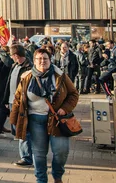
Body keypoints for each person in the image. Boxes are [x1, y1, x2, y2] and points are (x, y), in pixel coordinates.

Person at [10, 48, 79, 183]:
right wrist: (14, 120)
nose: (42, 61)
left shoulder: (60, 76)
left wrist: (65, 109)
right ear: (34, 61)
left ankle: (57, 175)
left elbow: (74, 94)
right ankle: (41, 179)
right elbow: (18, 99)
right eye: (39, 59)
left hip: (57, 120)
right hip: (35, 119)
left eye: (45, 59)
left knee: (61, 152)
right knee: (39, 154)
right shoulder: (26, 77)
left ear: (50, 60)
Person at [7, 44, 34, 167]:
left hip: (22, 104)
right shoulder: (14, 66)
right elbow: (9, 84)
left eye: (12, 55)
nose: (11, 58)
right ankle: (27, 153)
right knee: (16, 128)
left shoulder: (29, 68)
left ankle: (26, 157)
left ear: (16, 56)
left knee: (23, 129)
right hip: (12, 102)